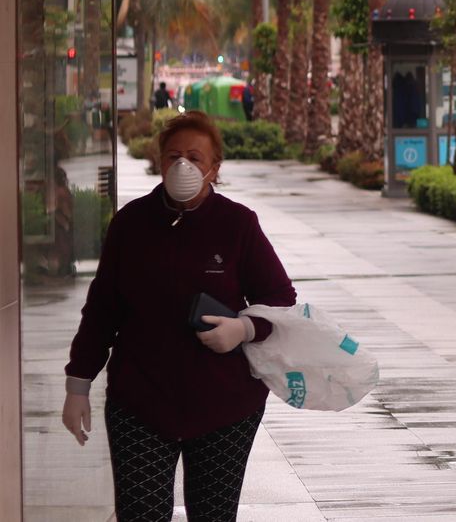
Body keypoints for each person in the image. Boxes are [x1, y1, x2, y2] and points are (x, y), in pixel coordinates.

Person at [61, 111, 296, 522]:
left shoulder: (237, 224)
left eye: (194, 157)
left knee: (213, 514)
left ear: (214, 168)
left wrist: (244, 328)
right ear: (159, 162)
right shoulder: (131, 224)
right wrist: (78, 383)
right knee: (141, 514)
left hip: (225, 406)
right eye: (173, 156)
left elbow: (280, 299)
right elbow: (102, 308)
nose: (182, 165)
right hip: (140, 403)